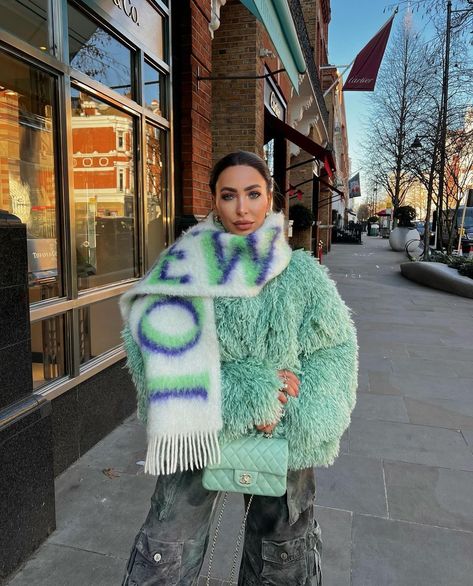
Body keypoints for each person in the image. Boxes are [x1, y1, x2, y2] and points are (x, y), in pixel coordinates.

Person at [120, 151, 358, 585]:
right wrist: (250, 394)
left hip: (284, 435)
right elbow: (150, 350)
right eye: (229, 195)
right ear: (214, 200)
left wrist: (292, 405)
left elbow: (335, 351)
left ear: (270, 198)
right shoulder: (183, 266)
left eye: (253, 194)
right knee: (167, 549)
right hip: (196, 430)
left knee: (281, 557)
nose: (242, 209)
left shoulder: (299, 273)